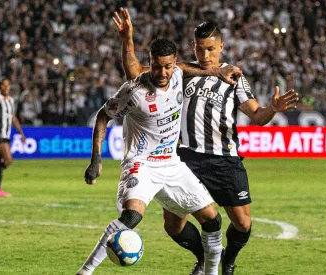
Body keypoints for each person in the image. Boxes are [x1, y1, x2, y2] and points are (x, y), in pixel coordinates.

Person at [114, 9, 299, 275]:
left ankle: (229, 260)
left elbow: (258, 116)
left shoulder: (234, 77)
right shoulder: (179, 72)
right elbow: (135, 72)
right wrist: (127, 40)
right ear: (193, 47)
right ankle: (204, 257)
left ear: (221, 46)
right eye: (200, 49)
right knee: (173, 225)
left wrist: (273, 107)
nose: (205, 55)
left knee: (243, 223)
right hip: (186, 159)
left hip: (224, 159)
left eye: (210, 49)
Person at [77, 38, 242, 275]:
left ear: (173, 63)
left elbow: (186, 68)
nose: (162, 72)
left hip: (171, 163)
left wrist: (218, 71)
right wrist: (96, 160)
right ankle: (84, 272)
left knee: (213, 221)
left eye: (167, 66)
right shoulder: (134, 92)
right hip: (141, 164)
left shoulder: (177, 74)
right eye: (156, 66)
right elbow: (103, 116)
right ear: (149, 62)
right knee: (132, 216)